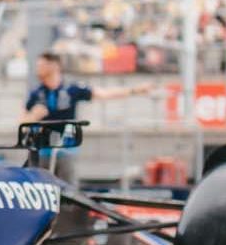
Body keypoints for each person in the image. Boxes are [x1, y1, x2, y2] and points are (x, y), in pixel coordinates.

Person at [21, 51, 154, 187]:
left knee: (68, 190)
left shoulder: (71, 89)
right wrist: (33, 116)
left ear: (55, 66)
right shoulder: (36, 93)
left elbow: (103, 94)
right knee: (40, 187)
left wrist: (135, 90)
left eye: (42, 65)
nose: (38, 69)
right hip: (42, 150)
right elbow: (22, 123)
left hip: (66, 149)